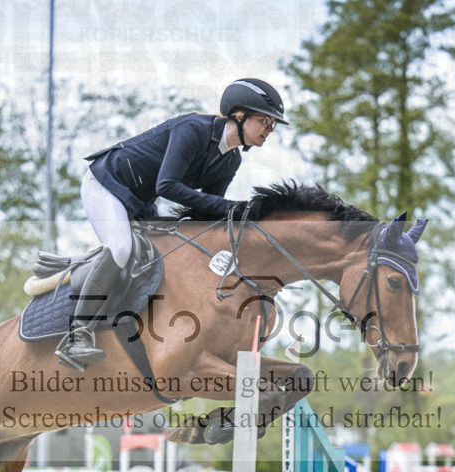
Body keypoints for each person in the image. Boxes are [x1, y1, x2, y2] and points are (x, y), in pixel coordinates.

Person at [55, 78, 288, 370]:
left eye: (273, 124)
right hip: (107, 183)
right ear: (239, 115)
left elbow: (205, 212)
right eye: (265, 120)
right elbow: (167, 185)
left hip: (140, 201)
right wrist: (231, 208)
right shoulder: (193, 129)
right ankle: (78, 334)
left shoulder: (230, 163)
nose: (270, 129)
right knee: (121, 248)